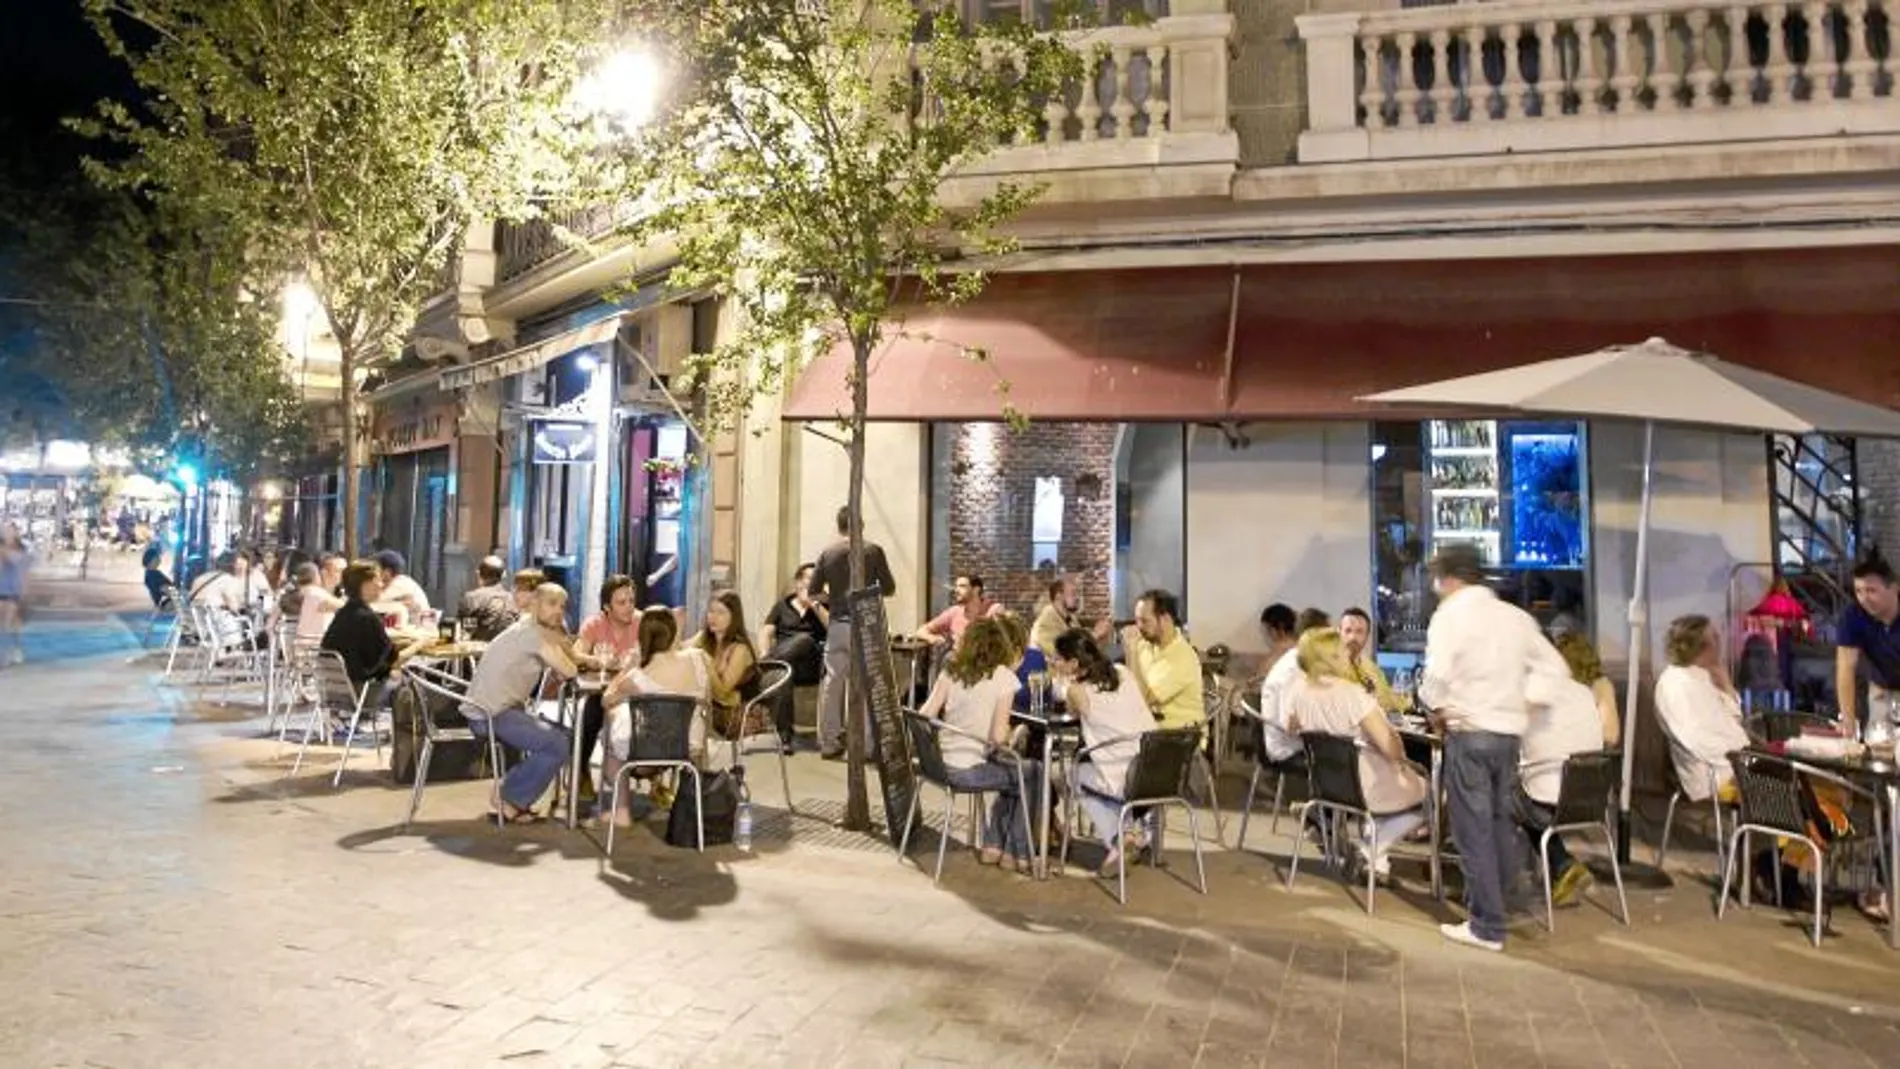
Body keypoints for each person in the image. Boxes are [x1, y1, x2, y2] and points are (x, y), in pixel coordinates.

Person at [1418, 544, 1569, 954]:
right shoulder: (1514, 617)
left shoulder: (1449, 617)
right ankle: (1505, 898)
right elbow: (1556, 669)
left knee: (1473, 829)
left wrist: (1437, 707)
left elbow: (1435, 678)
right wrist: (1524, 702)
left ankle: (1487, 924)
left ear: (1448, 578)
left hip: (1469, 731)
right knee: (1501, 822)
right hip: (1508, 735)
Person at [1284, 626, 1430, 882]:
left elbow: (1290, 726)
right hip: (1366, 785)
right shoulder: (1352, 694)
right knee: (1433, 796)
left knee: (1400, 786)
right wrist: (1402, 760)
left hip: (1326, 786)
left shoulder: (1297, 690)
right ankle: (1370, 850)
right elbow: (1389, 746)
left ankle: (1377, 867)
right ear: (1332, 656)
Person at [918, 617, 1040, 873]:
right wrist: (1015, 734)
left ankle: (994, 847)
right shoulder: (1004, 678)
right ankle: (1014, 853)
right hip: (970, 771)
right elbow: (998, 738)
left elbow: (924, 715)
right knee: (1032, 773)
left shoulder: (951, 671)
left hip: (938, 766)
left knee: (1015, 774)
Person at [461, 584, 589, 824]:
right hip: (490, 714)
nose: (558, 611)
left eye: (562, 606)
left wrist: (563, 646)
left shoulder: (529, 628)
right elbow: (569, 669)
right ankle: (509, 798)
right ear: (534, 604)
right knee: (558, 743)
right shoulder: (531, 634)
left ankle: (517, 794)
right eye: (551, 604)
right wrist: (564, 651)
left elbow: (567, 660)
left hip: (498, 708)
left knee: (567, 736)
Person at [1516, 632, 1621, 907]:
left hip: (1548, 802)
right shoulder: (1583, 691)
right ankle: (1560, 868)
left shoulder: (1530, 691)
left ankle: (1489, 883)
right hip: (1588, 802)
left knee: (1496, 791)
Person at [1051, 628, 1160, 876]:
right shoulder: (1123, 673)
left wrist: (1062, 681)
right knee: (1090, 771)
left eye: (1058, 658)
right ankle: (1135, 830)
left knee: (1073, 775)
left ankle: (1118, 839)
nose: (1053, 661)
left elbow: (1065, 700)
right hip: (1158, 771)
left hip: (1128, 778)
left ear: (1074, 663)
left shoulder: (1079, 692)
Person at [600, 605, 712, 825]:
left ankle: (622, 812)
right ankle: (666, 786)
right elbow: (707, 701)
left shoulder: (639, 675)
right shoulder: (699, 658)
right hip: (690, 745)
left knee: (613, 720)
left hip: (649, 748)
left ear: (642, 636)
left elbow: (606, 699)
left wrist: (629, 667)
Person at [810, 506, 897, 761]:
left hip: (838, 624)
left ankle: (829, 741)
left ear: (839, 526)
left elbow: (814, 592)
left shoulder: (828, 553)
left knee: (833, 683)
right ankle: (866, 746)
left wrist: (835, 598)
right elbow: (889, 588)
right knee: (869, 685)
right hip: (866, 624)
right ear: (861, 525)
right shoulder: (873, 550)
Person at [1653, 614, 1751, 806]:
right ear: (1701, 646)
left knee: (1809, 788)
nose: (1720, 642)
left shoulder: (1703, 675)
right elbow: (1695, 739)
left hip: (1737, 764)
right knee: (1796, 793)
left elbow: (1735, 718)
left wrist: (1726, 683)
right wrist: (1742, 759)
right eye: (1715, 637)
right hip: (1716, 775)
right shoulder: (1675, 684)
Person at [320, 560, 428, 711]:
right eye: (377, 580)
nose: (382, 585)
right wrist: (421, 643)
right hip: (362, 693)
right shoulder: (367, 618)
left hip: (334, 691)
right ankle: (416, 732)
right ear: (365, 584)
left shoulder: (344, 614)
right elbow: (393, 660)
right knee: (413, 679)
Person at [760, 563, 828, 750]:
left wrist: (815, 605)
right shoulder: (782, 606)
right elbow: (766, 632)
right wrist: (764, 651)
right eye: (809, 578)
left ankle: (763, 667)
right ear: (798, 582)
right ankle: (785, 737)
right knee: (783, 676)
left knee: (804, 640)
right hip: (787, 663)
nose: (813, 582)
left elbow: (833, 629)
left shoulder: (825, 606)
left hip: (812, 664)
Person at [1835, 553, 1900, 739]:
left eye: (1871, 590)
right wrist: (1848, 720)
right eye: (1858, 591)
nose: (1864, 598)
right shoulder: (1853, 615)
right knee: (1878, 748)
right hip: (1882, 690)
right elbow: (1846, 667)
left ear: (1894, 588)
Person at [1119, 589, 1204, 732]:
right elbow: (1128, 681)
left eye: (1144, 621)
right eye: (1137, 620)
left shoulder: (1182, 657)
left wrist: (1132, 652)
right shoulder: (1147, 643)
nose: (1138, 627)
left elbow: (1141, 701)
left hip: (1178, 736)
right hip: (1148, 726)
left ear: (1165, 619)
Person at [1259, 607, 1330, 765]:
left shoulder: (1300, 661)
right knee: (1352, 755)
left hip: (1293, 740)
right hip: (1288, 749)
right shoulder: (1294, 669)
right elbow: (1291, 723)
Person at [695, 590, 761, 741]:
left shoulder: (740, 649)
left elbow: (723, 691)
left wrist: (707, 662)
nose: (713, 617)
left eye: (721, 613)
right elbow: (680, 653)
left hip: (736, 715)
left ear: (734, 617)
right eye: (711, 611)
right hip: (712, 708)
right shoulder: (704, 638)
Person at [1339, 606, 1410, 715]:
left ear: (1367, 636)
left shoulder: (1371, 669)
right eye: (1348, 631)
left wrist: (1410, 700)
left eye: (1359, 632)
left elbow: (1388, 701)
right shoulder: (1330, 668)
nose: (1353, 637)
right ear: (1339, 633)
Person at [915, 573, 1003, 648]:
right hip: (958, 665)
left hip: (986, 665)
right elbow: (920, 631)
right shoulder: (954, 612)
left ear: (976, 590)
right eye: (956, 586)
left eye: (962, 586)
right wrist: (932, 638)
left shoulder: (994, 610)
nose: (956, 590)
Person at [1031, 576, 1109, 654]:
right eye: (1073, 593)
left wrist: (1100, 637)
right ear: (1058, 596)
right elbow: (1062, 655)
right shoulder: (1045, 623)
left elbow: (1085, 650)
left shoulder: (1071, 620)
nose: (1077, 597)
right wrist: (1094, 636)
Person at [457, 556, 518, 642]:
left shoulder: (471, 598)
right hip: (507, 651)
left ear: (478, 574)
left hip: (478, 653)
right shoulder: (514, 599)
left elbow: (466, 631)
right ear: (503, 575)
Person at [297, 554, 348, 643]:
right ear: (324, 573)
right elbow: (340, 605)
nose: (344, 575)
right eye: (339, 571)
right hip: (313, 649)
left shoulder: (329, 594)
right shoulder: (313, 591)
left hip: (324, 646)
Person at [373, 550, 431, 623]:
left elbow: (373, 603)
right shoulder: (403, 581)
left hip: (417, 629)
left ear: (387, 572)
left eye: (375, 569)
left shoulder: (401, 584)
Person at [0, 522, 28, 667]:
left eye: (9, 531)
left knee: (9, 624)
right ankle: (12, 651)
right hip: (3, 590)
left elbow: (21, 571)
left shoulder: (19, 552)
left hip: (12, 592)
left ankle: (9, 653)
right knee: (8, 625)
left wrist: (24, 591)